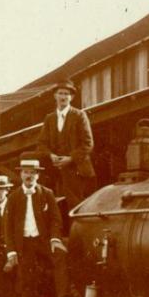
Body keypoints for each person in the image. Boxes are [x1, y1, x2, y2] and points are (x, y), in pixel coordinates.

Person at [3, 158, 68, 297]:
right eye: (25, 172)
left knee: (60, 256)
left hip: (44, 240)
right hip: (24, 243)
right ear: (20, 174)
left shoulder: (47, 194)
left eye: (32, 173)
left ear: (38, 175)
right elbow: (7, 226)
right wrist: (11, 251)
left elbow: (56, 219)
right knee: (27, 280)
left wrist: (54, 238)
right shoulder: (13, 197)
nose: (29, 176)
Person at [38, 80, 95, 218]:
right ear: (55, 96)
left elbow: (88, 143)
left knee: (76, 206)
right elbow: (41, 144)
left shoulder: (79, 115)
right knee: (52, 205)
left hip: (77, 170)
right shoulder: (49, 118)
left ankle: (77, 237)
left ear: (71, 97)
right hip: (56, 170)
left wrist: (70, 159)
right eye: (60, 93)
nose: (63, 97)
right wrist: (51, 155)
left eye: (66, 94)